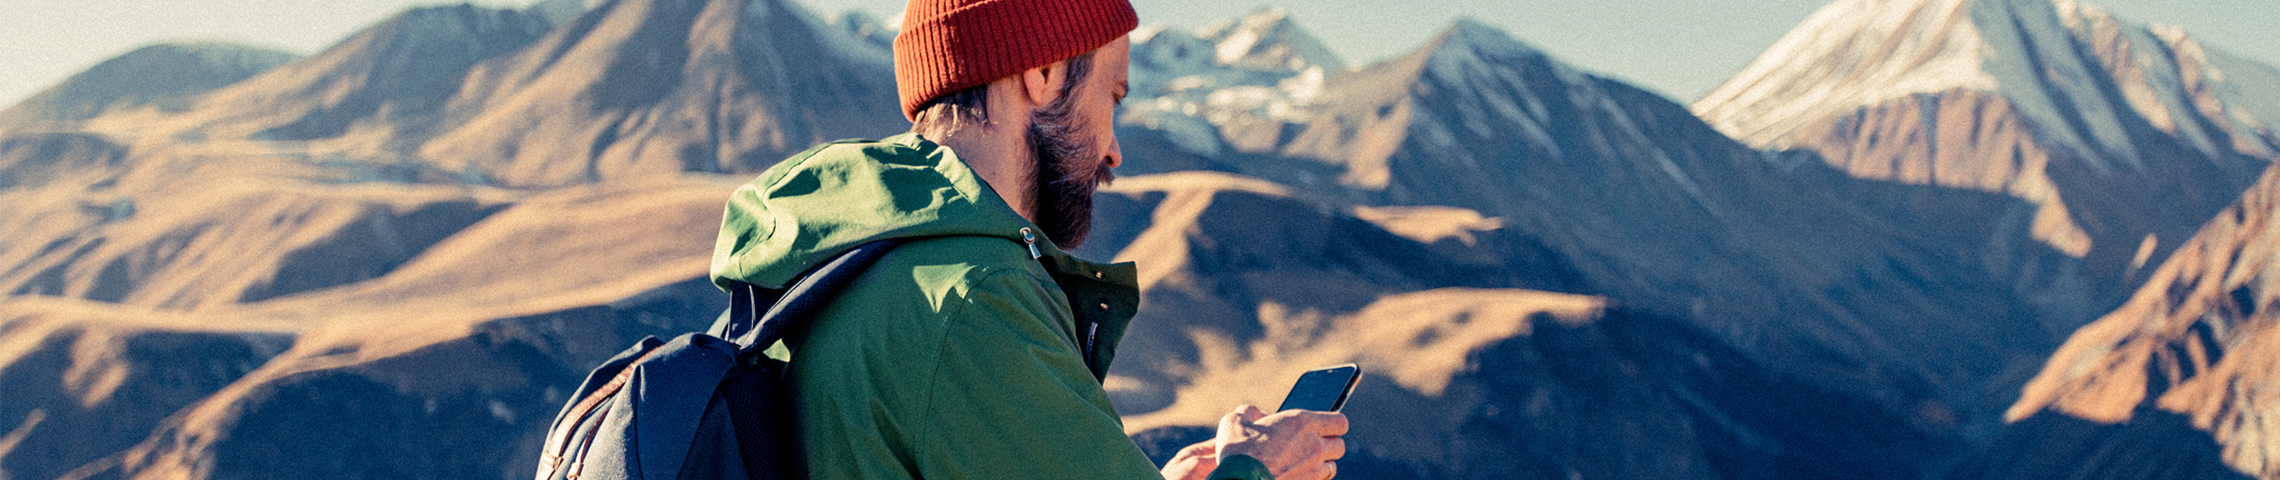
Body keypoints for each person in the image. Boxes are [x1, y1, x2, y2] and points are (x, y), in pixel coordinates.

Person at [705, 0, 1349, 478]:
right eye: (1113, 95)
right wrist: (1259, 469)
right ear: (1042, 72)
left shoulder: (829, 261)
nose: (1115, 151)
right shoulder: (972, 293)